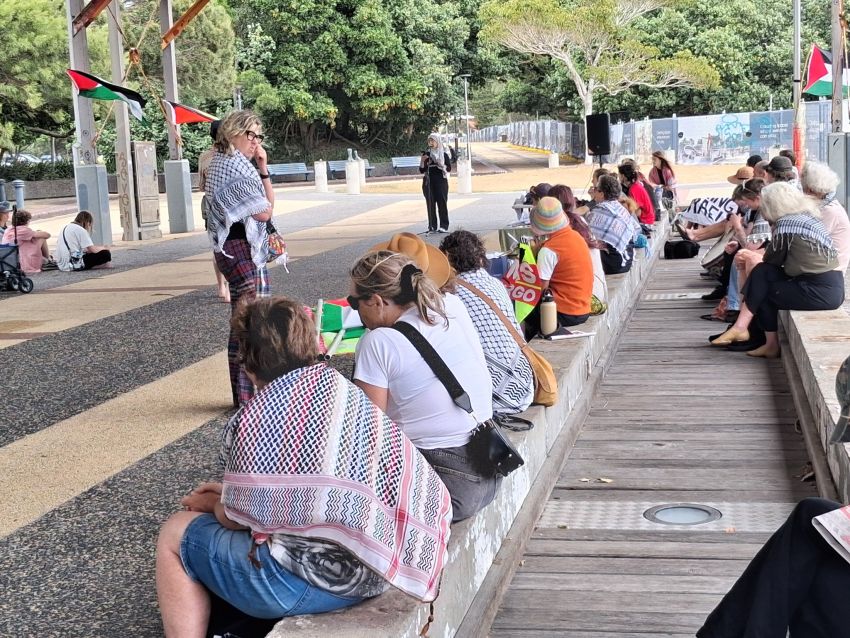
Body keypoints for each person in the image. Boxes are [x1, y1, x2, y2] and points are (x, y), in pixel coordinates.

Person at [155, 297, 452, 637]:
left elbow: (239, 519)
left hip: (301, 586)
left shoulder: (251, 420)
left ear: (248, 365)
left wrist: (215, 504)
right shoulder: (344, 393)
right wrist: (230, 496)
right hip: (377, 569)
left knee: (176, 531)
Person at [350, 234, 500, 522]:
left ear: (378, 301)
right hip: (489, 468)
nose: (356, 311)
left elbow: (369, 435)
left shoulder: (379, 342)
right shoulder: (450, 307)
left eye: (355, 303)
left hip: (444, 485)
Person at [711, 182, 844, 358]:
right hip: (828, 286)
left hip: (819, 290)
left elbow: (772, 260)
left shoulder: (785, 224)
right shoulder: (805, 217)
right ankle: (742, 328)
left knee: (764, 287)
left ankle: (757, 336)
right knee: (762, 273)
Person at [204, 110, 275, 407]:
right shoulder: (228, 165)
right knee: (246, 323)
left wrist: (263, 168)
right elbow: (264, 211)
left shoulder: (238, 164)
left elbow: (266, 207)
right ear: (233, 131)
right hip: (237, 249)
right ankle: (245, 397)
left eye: (258, 137)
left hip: (243, 248)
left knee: (254, 320)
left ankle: (250, 393)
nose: (255, 143)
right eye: (251, 135)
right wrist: (261, 171)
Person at [439, 230, 534, 415]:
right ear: (480, 258)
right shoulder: (494, 283)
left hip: (494, 394)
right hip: (524, 382)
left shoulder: (451, 295)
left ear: (447, 260)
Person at [524, 196, 594, 338]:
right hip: (584, 308)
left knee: (523, 309)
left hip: (563, 312)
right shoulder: (576, 236)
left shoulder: (549, 250)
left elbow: (540, 290)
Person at [198, 120, 230, 303]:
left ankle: (221, 286)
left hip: (210, 205)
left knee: (217, 246)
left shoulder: (204, 156)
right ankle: (232, 285)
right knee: (233, 243)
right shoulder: (232, 156)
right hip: (231, 205)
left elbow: (201, 186)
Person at [801, 161, 850, 273]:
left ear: (811, 189)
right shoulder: (827, 205)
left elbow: (809, 240)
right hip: (823, 266)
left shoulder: (829, 211)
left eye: (805, 189)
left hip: (828, 272)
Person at [586, 175, 641, 275]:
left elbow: (588, 238)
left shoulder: (600, 211)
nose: (594, 191)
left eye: (596, 189)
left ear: (602, 194)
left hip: (614, 264)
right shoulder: (620, 208)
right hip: (627, 260)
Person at [419, 133, 452, 234]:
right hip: (429, 182)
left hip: (441, 181)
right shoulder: (427, 155)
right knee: (430, 204)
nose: (431, 143)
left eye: (433, 141)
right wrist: (422, 160)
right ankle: (432, 226)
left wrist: (440, 164)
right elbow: (421, 170)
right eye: (429, 141)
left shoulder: (444, 154)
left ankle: (444, 225)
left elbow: (449, 168)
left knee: (442, 203)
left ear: (438, 142)